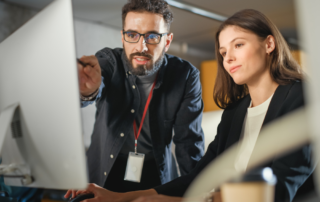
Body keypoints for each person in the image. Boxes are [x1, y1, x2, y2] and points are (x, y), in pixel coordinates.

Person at [67, 9, 314, 202]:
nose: (228, 57)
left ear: (269, 44)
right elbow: (199, 177)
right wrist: (121, 198)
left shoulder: (303, 98)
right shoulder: (235, 112)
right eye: (223, 51)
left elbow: (280, 191)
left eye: (238, 45)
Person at [65, 0, 205, 197]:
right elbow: (92, 88)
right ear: (123, 38)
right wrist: (88, 90)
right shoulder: (108, 61)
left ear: (167, 41)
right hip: (105, 170)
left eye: (152, 36)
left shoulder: (185, 76)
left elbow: (189, 144)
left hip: (155, 173)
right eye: (132, 35)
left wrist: (198, 193)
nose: (142, 47)